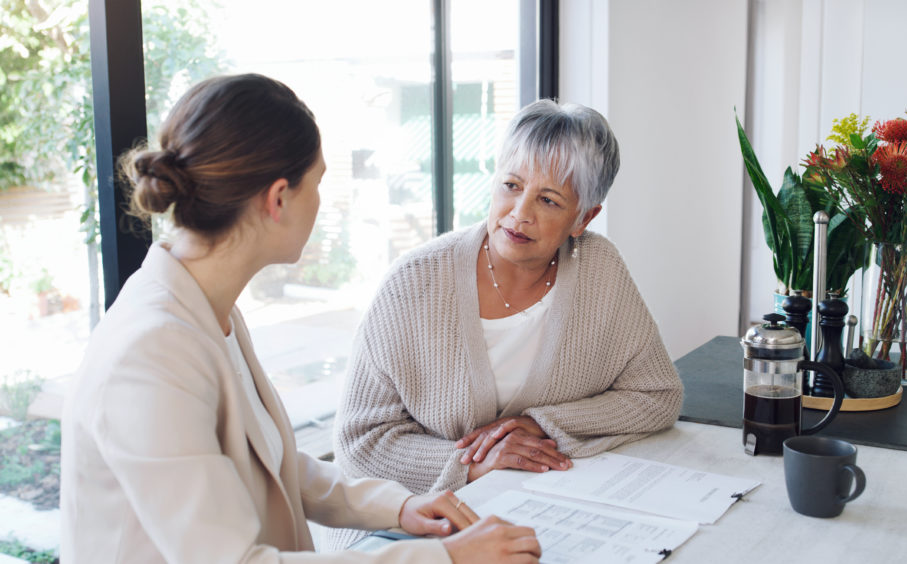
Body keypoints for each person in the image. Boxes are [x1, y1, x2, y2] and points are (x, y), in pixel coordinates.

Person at [59, 73, 541, 564]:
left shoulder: (206, 308)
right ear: (279, 199)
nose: (320, 202)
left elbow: (271, 460)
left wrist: (400, 507)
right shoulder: (150, 355)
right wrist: (448, 557)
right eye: (319, 182)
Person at [328, 99, 683, 549]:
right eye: (511, 185)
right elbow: (359, 446)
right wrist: (474, 465)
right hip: (403, 527)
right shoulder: (414, 282)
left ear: (584, 217)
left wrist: (542, 424)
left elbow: (657, 395)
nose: (520, 213)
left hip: (537, 512)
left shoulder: (600, 269)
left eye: (548, 200)